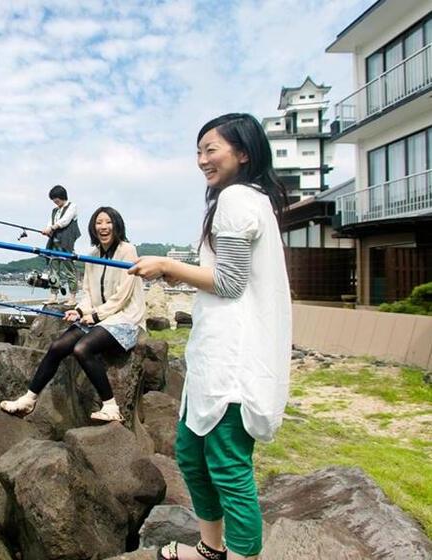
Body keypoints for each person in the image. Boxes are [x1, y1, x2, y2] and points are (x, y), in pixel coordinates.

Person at [129, 113, 291, 560]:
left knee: (226, 464)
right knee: (191, 454)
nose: (202, 160)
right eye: (199, 151)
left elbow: (231, 281)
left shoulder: (238, 198)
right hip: (214, 353)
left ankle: (240, 554)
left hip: (234, 359)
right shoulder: (240, 199)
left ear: (243, 153)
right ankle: (210, 548)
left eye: (211, 150)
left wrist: (166, 265)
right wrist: (175, 273)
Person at [1, 206, 146, 422]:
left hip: (125, 318)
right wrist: (79, 310)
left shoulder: (128, 251)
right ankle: (29, 400)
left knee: (82, 348)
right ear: (93, 228)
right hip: (101, 317)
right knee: (58, 346)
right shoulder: (93, 255)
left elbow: (122, 296)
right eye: (99, 223)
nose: (103, 227)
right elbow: (89, 293)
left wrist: (95, 316)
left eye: (108, 222)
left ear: (117, 225)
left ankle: (111, 407)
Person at [42, 185, 80, 305]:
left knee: (69, 269)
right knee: (54, 268)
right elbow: (50, 222)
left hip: (66, 242)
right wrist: (47, 229)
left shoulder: (72, 206)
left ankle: (72, 297)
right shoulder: (54, 210)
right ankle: (53, 296)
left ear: (62, 196)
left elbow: (65, 221)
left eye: (56, 199)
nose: (54, 201)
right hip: (55, 241)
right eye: (53, 199)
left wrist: (52, 228)